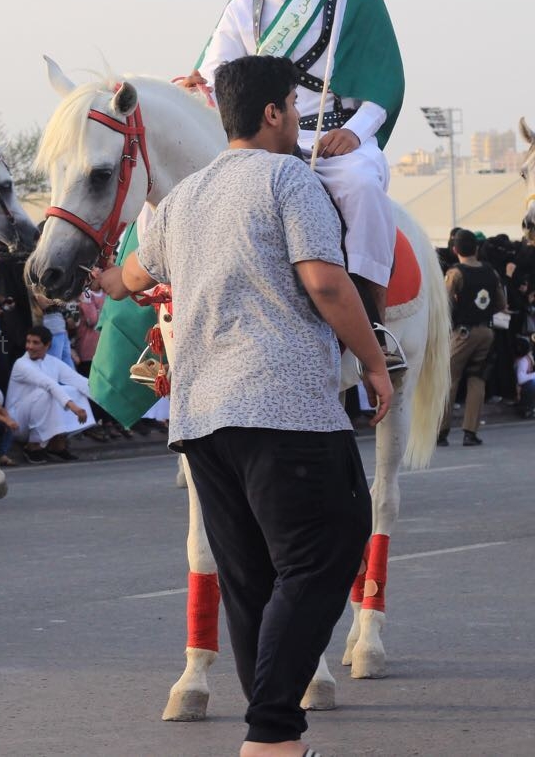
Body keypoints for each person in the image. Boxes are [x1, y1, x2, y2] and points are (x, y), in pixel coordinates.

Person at [101, 54, 390, 757]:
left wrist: (94, 273)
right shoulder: (289, 176)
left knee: (251, 580)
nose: (298, 118)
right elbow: (324, 283)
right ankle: (269, 737)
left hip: (201, 422)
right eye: (293, 105)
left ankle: (278, 740)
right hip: (282, 406)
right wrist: (376, 362)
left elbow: (126, 277)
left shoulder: (183, 199)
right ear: (271, 113)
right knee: (331, 545)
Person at [184, 0, 404, 372]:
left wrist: (355, 132)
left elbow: (383, 80)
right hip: (266, 138)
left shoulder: (351, 1)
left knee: (362, 187)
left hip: (337, 137)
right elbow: (219, 71)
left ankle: (373, 318)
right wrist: (194, 87)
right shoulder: (247, 7)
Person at [438, 228, 505, 446]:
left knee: (449, 378)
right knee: (477, 379)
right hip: (486, 331)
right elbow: (501, 304)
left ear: (455, 249)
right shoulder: (490, 271)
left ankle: (441, 430)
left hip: (462, 333)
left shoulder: (455, 273)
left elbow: (444, 304)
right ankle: (470, 432)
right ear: (476, 248)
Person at [5, 325, 90, 462]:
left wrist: (110, 398)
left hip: (38, 417)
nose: (30, 346)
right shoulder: (21, 364)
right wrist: (74, 408)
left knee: (73, 390)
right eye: (28, 342)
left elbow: (80, 381)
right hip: (17, 424)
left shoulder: (53, 362)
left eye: (35, 343)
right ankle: (33, 447)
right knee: (46, 393)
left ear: (47, 345)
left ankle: (57, 445)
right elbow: (48, 384)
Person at [514, 336, 535, 418]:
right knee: (533, 383)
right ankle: (528, 409)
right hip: (522, 389)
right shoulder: (523, 361)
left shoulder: (529, 358)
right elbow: (520, 379)